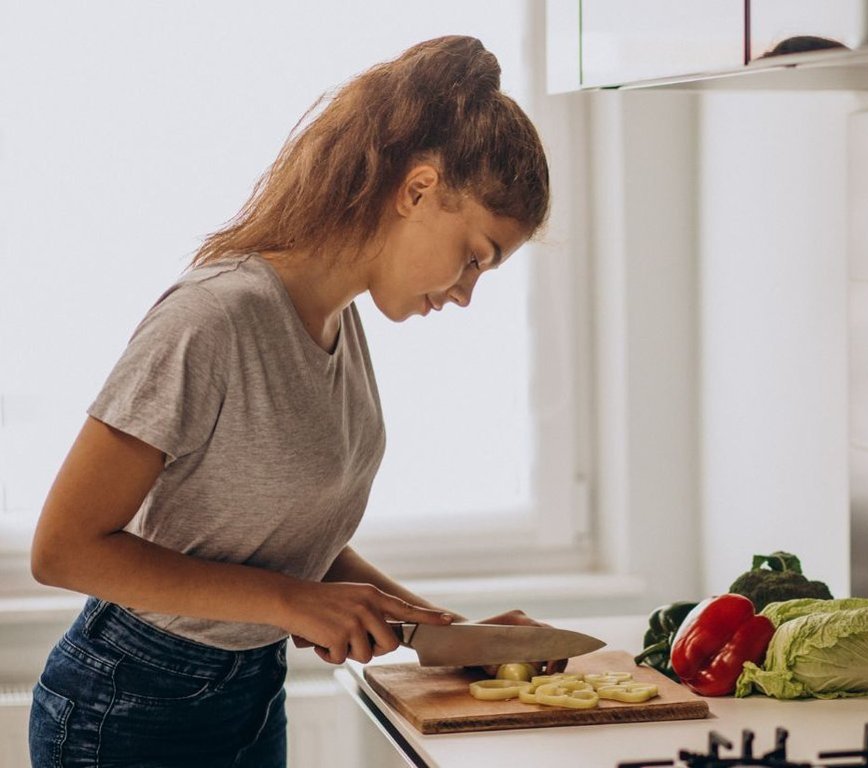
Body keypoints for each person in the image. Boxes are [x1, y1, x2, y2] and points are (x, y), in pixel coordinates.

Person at [27, 35, 554, 768]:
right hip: (130, 706)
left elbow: (280, 533)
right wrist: (291, 602)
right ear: (417, 190)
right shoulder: (214, 318)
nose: (467, 294)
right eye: (475, 256)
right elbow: (62, 549)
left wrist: (454, 638)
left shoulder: (341, 323)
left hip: (250, 691)